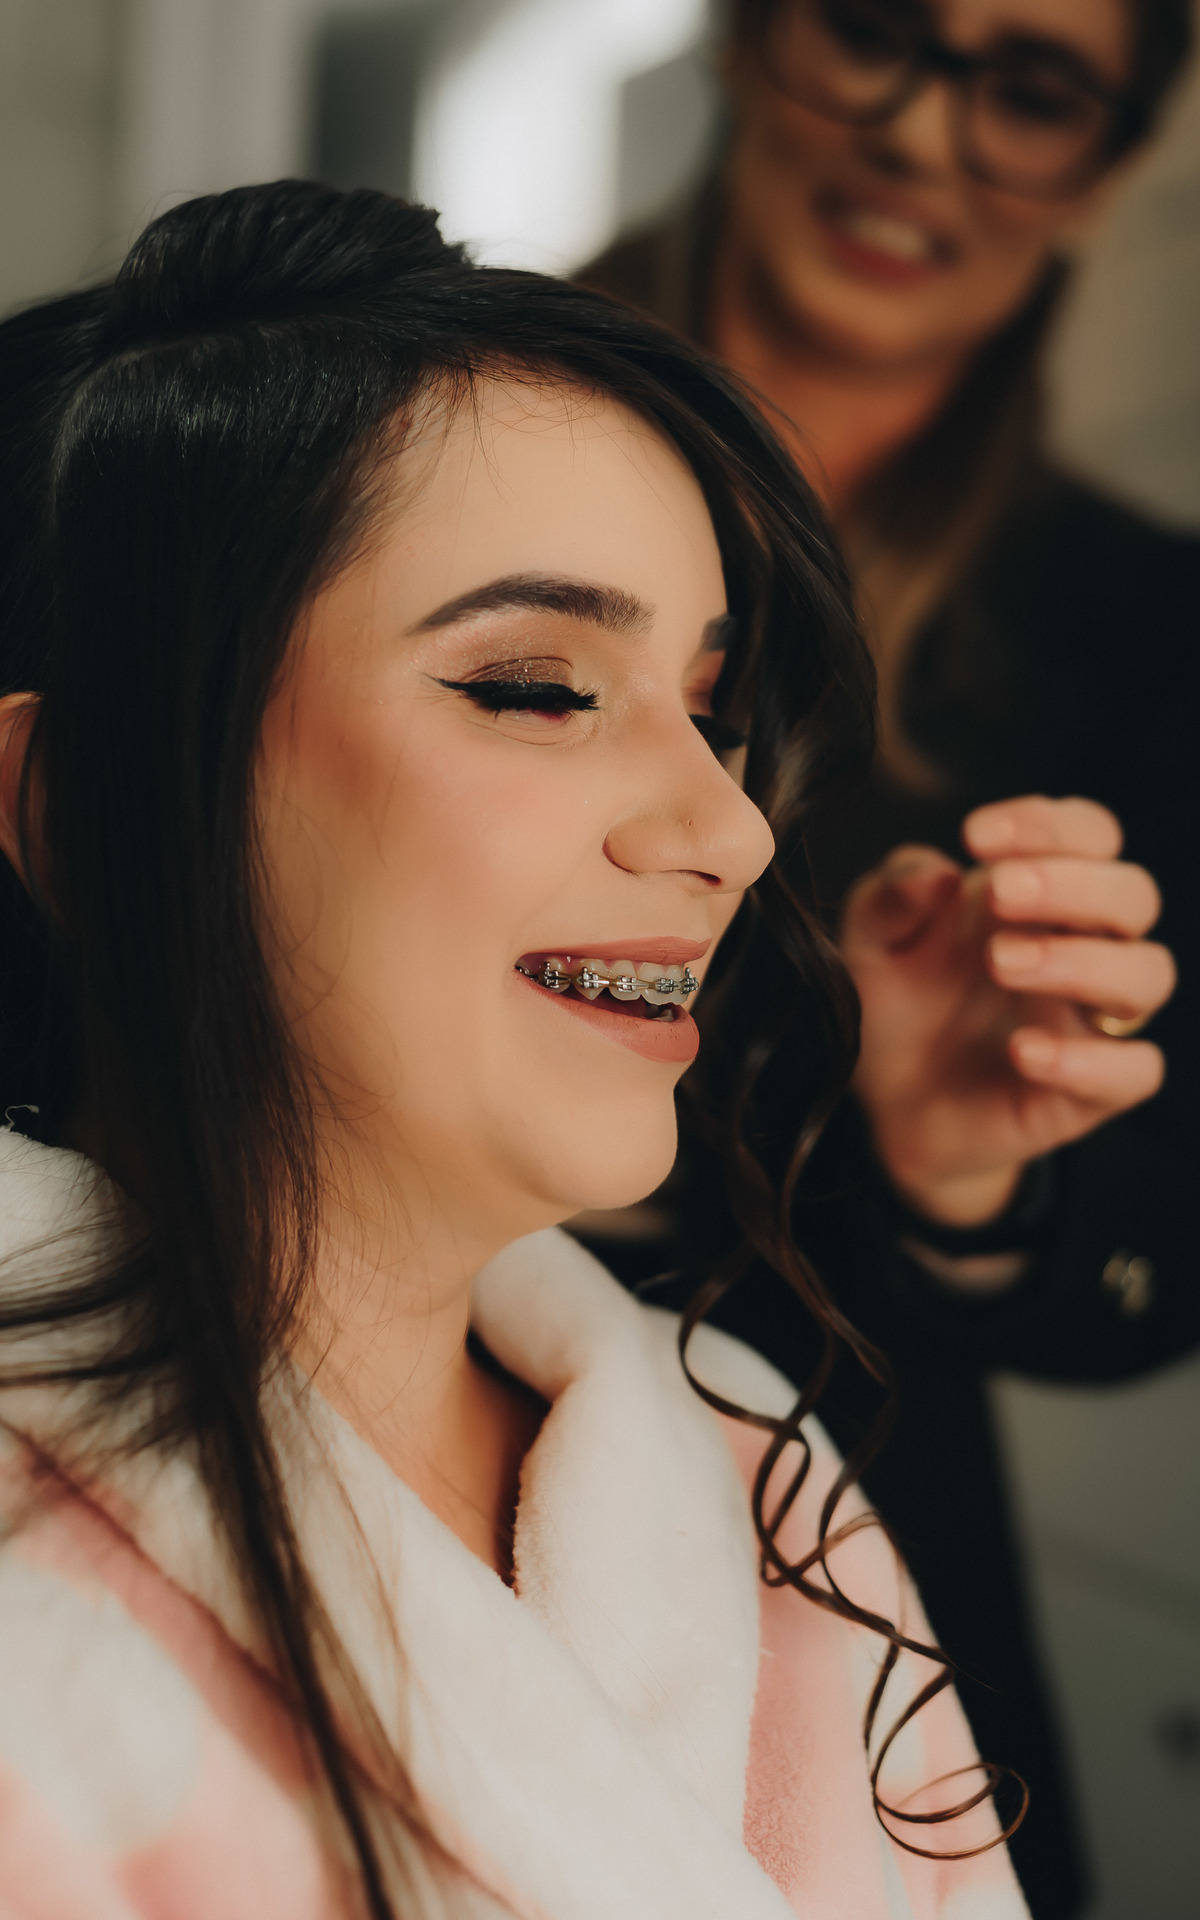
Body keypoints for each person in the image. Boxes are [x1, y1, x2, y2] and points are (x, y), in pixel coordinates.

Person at [0, 180, 1030, 1918]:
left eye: (710, 711)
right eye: (539, 690)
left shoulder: (763, 1482)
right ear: (83, 811)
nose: (730, 831)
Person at [578, 2, 1200, 1914]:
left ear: (1107, 163)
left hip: (830, 1557)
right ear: (749, 34)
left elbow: (1150, 1259)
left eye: (1032, 89)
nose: (925, 134)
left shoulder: (1148, 637)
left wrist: (969, 1171)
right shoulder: (397, 435)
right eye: (875, 29)